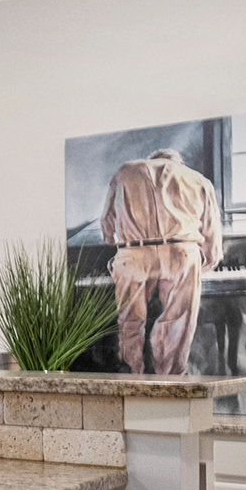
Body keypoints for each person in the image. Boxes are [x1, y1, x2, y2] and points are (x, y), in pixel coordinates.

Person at [98, 148, 224, 374]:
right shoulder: (198, 179)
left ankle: (132, 377)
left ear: (152, 160)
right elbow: (212, 234)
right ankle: (170, 380)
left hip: (133, 254)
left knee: (130, 323)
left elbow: (107, 220)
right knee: (177, 324)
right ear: (179, 163)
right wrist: (207, 262)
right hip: (181, 253)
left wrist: (112, 239)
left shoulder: (125, 171)